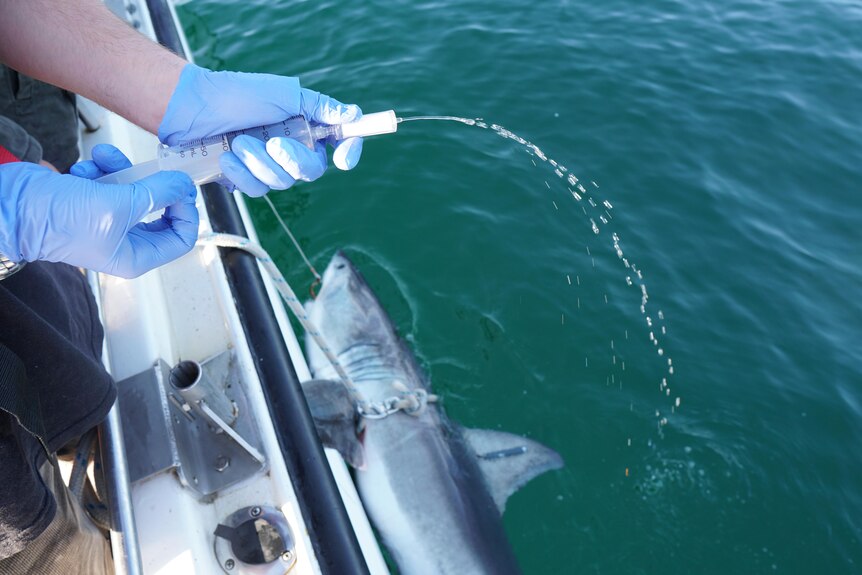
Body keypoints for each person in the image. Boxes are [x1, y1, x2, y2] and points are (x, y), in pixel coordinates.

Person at [0, 0, 364, 572]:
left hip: (31, 319)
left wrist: (179, 93)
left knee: (64, 347)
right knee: (48, 542)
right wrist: (8, 219)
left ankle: (78, 440)